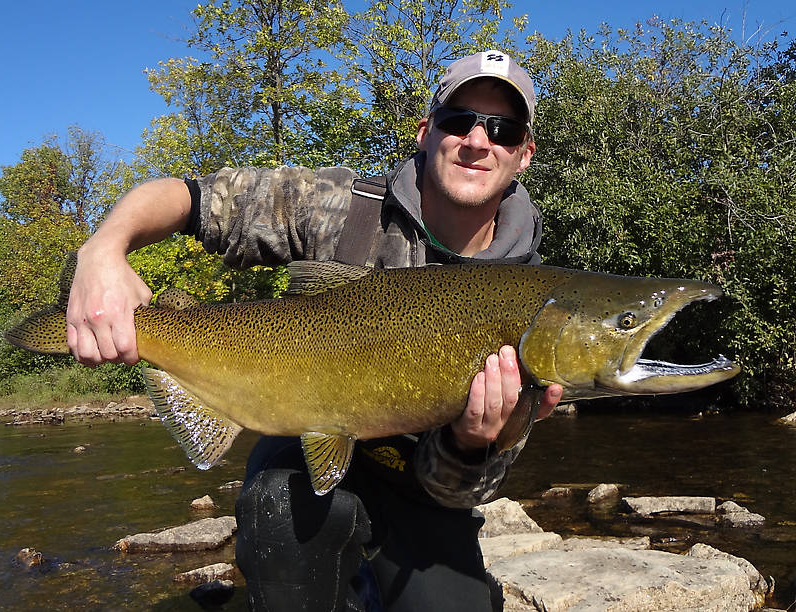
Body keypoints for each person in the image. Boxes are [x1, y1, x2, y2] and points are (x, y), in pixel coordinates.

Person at [67, 50, 563, 611]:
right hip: (299, 453)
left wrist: (474, 442)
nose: (478, 140)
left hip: (420, 495)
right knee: (280, 511)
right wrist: (104, 249)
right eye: (458, 121)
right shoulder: (341, 207)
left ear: (524, 153)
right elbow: (192, 198)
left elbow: (460, 492)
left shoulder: (533, 294)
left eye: (502, 129)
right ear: (426, 133)